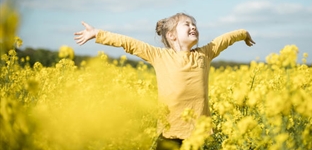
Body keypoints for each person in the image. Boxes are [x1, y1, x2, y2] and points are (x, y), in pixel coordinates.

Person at [74, 12, 255, 149]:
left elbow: (225, 39)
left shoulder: (205, 54)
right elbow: (129, 43)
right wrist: (98, 34)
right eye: (187, 24)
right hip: (169, 132)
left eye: (194, 24)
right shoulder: (159, 55)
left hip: (199, 132)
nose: (193, 27)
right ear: (171, 35)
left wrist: (243, 33)